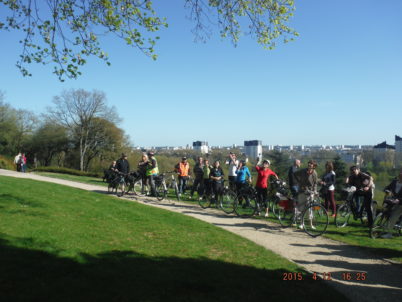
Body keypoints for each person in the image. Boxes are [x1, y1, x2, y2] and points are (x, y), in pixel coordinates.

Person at [294, 160, 319, 227]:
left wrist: (315, 191)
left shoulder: (314, 173)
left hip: (310, 192)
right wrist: (299, 182)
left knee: (309, 208)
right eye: (309, 164)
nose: (309, 165)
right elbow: (295, 174)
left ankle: (311, 224)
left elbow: (315, 183)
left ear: (313, 166)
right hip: (302, 190)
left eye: (311, 164)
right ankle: (302, 224)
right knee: (302, 208)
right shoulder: (303, 171)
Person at [380, 169, 402, 238]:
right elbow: (387, 187)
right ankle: (386, 227)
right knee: (387, 212)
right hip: (394, 201)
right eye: (400, 175)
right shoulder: (394, 182)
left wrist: (399, 200)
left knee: (393, 217)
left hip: (401, 203)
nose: (400, 176)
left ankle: (389, 234)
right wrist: (386, 190)